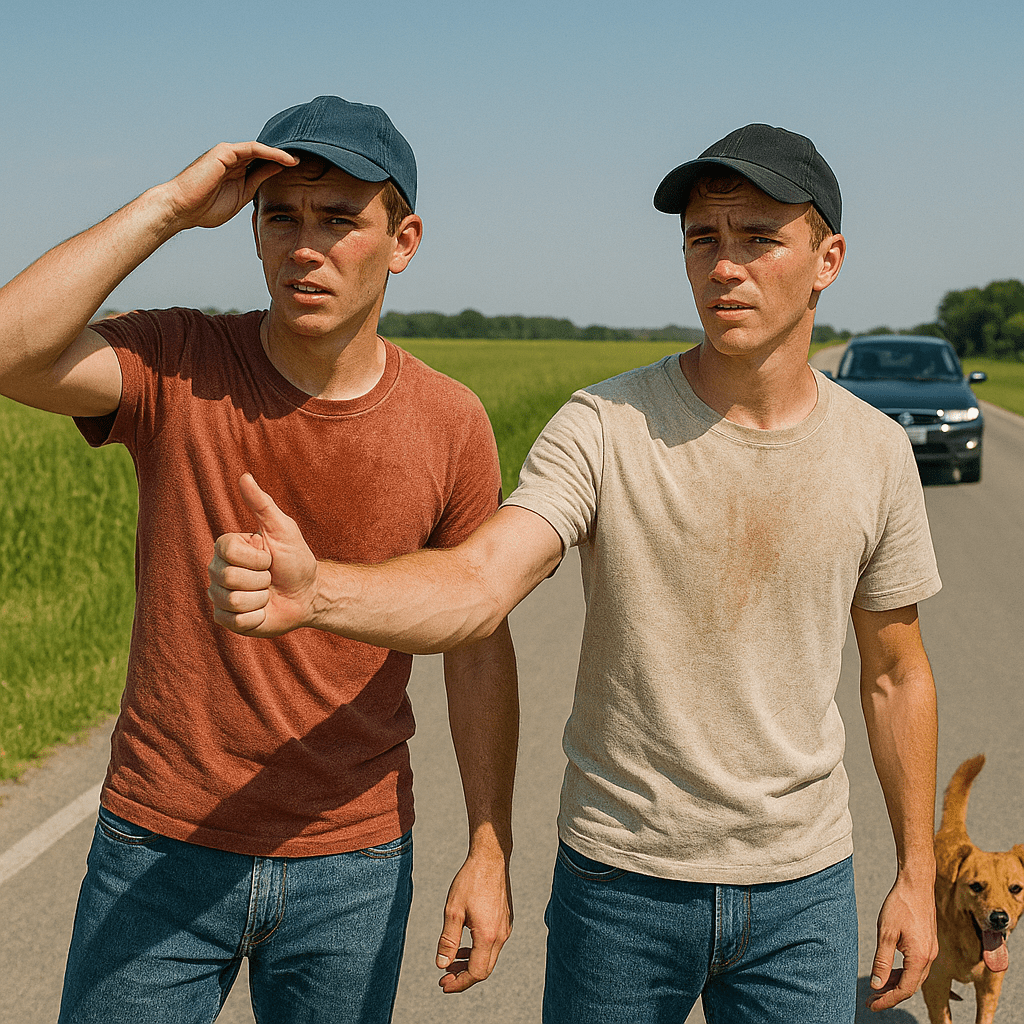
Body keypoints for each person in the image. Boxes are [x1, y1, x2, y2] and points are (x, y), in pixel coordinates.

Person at [208, 124, 941, 1022]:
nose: (724, 267)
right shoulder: (605, 424)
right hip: (622, 885)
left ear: (826, 258)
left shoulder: (874, 452)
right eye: (703, 239)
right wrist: (320, 591)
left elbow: (897, 672)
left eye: (760, 238)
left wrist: (915, 873)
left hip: (803, 891)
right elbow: (482, 583)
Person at [0, 95, 517, 1023]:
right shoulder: (181, 359)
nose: (305, 246)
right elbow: (8, 348)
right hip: (159, 842)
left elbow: (478, 640)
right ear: (251, 231)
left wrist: (489, 844)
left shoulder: (449, 422)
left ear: (403, 241)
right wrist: (166, 207)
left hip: (351, 864)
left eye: (339, 219)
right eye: (280, 217)